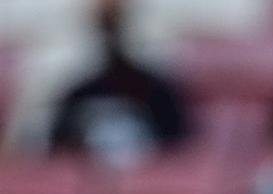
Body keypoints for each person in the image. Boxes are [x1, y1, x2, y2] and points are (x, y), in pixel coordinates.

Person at [49, 0, 189, 168]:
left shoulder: (157, 91)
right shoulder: (77, 94)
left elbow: (177, 145)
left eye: (116, 24)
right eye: (105, 26)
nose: (111, 36)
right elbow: (58, 147)